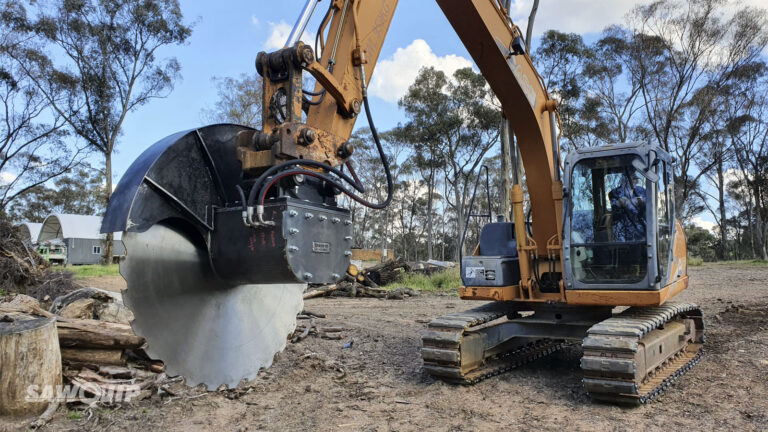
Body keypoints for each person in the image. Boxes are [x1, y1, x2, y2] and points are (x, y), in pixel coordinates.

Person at [609, 170, 646, 242]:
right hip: (621, 230)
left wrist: (629, 201)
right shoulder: (615, 192)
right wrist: (635, 201)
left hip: (639, 229)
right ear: (625, 179)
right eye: (633, 179)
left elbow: (646, 201)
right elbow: (616, 205)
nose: (636, 181)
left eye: (636, 179)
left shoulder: (640, 190)